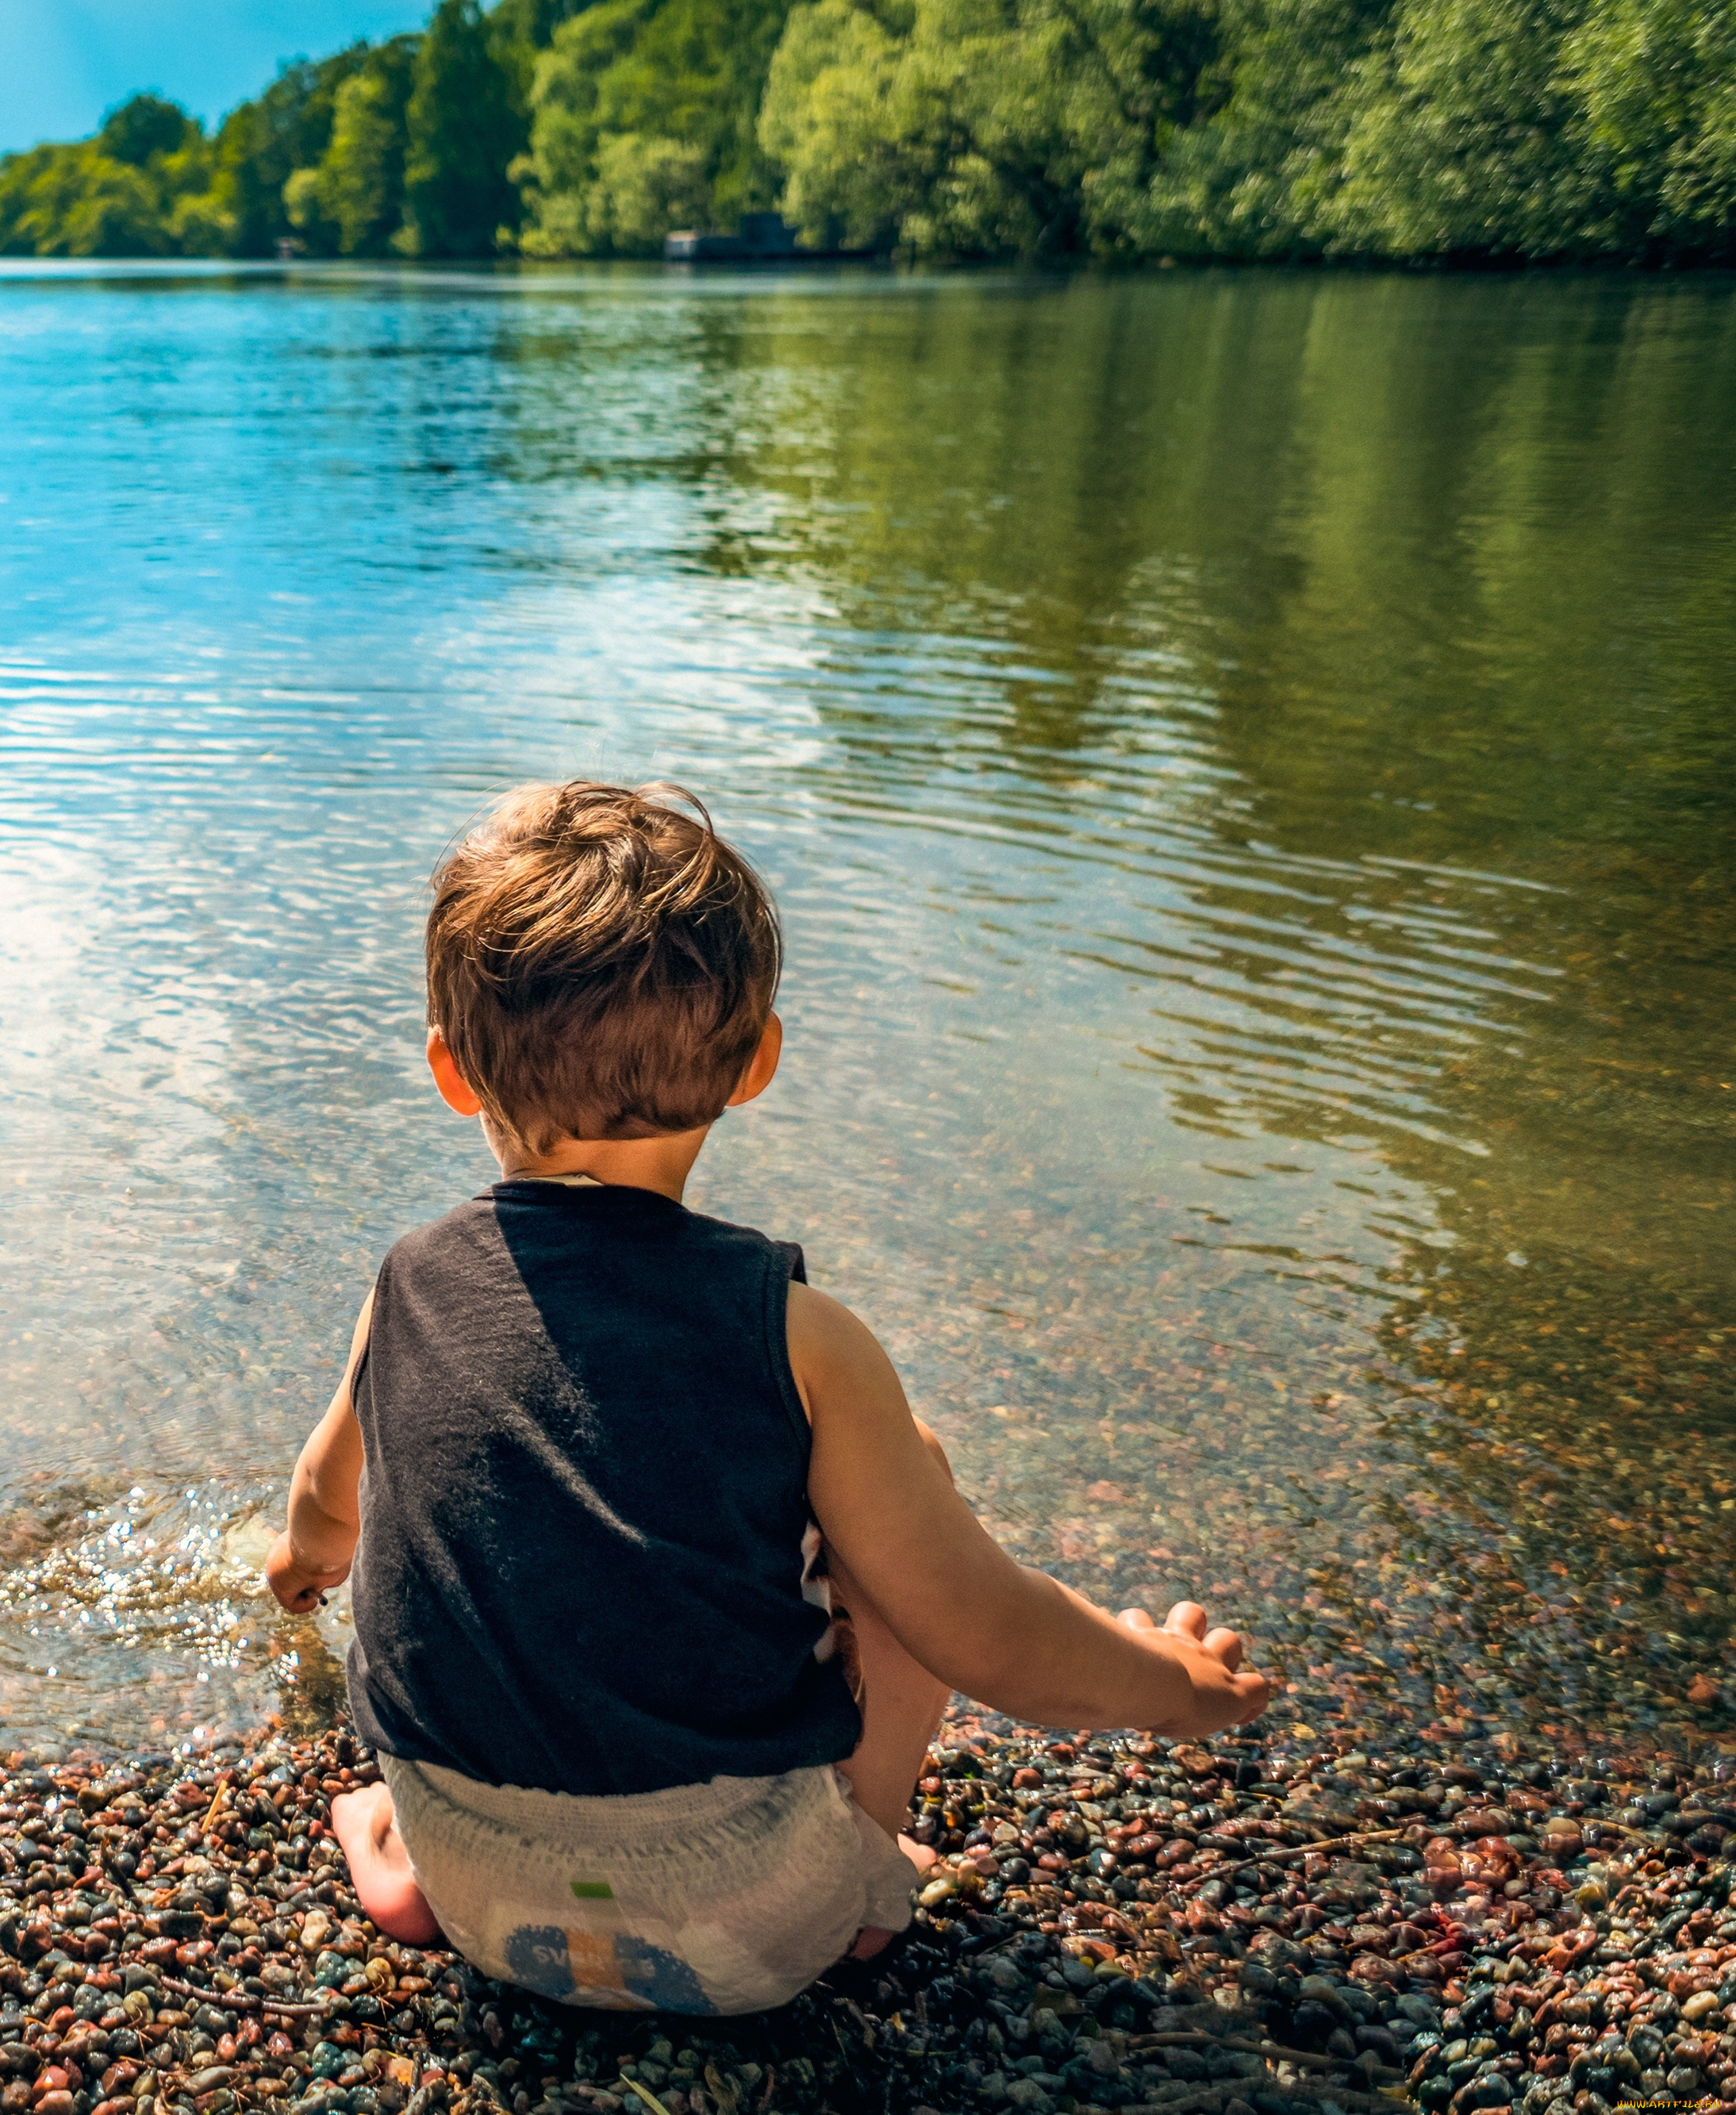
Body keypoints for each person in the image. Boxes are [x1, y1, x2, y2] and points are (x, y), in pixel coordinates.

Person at [263, 781, 1273, 2016]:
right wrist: (1175, 1683)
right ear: (757, 1062)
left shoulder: (406, 1287)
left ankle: (400, 1853)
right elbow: (990, 1634)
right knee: (907, 1473)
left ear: (451, 1075)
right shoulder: (799, 1337)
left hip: (482, 1899)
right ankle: (867, 1870)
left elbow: (327, 1499)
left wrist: (299, 1566)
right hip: (753, 1927)